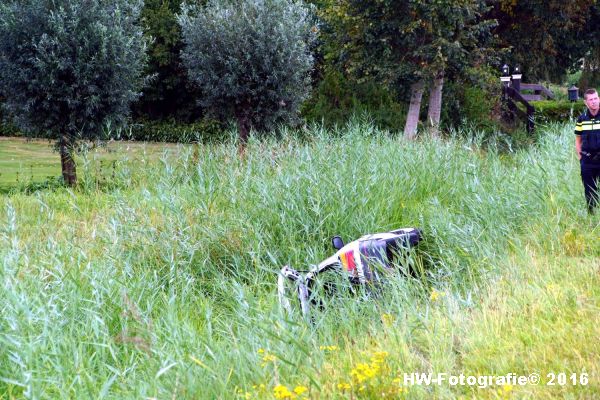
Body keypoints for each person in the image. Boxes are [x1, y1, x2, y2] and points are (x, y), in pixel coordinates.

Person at [575, 88, 600, 212]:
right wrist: (581, 159)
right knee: (589, 191)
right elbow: (578, 140)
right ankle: (591, 217)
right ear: (586, 102)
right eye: (591, 99)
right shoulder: (581, 119)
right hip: (587, 161)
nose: (594, 102)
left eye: (596, 98)